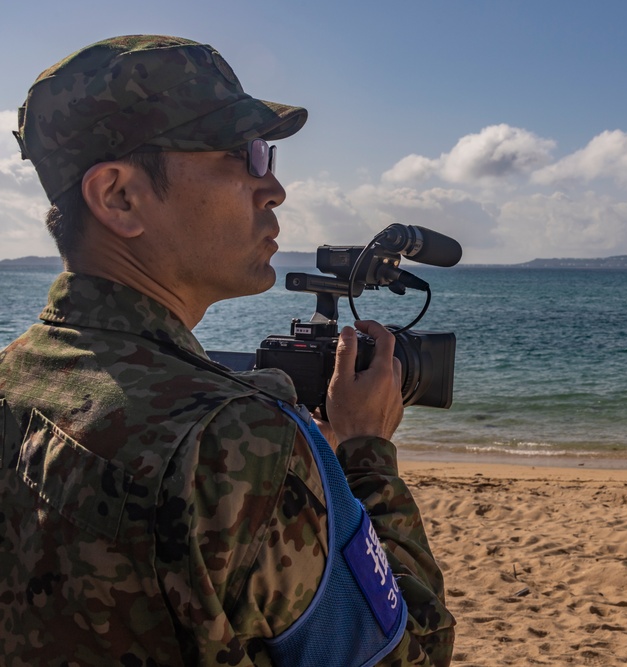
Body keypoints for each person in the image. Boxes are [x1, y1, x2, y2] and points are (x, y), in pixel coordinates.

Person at [0, 35, 454, 666]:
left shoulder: (14, 378)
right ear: (118, 197)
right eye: (244, 154)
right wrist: (364, 450)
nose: (273, 188)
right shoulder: (235, 446)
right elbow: (414, 654)